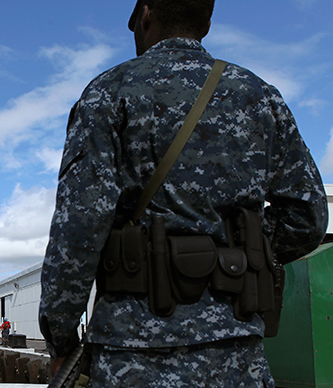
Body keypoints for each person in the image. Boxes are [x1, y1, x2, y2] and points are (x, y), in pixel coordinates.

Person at [38, 1, 328, 387]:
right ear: (206, 21)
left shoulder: (109, 93)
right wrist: (238, 249)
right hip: (237, 352)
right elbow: (307, 216)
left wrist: (61, 339)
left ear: (145, 15)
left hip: (134, 351)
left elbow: (79, 228)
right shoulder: (260, 96)